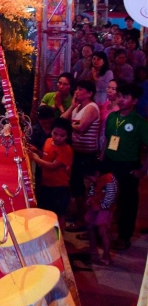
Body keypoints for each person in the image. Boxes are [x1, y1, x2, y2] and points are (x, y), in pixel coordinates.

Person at [101, 82, 148, 251]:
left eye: (125, 97)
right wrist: (101, 160)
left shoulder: (139, 122)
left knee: (128, 202)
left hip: (128, 166)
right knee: (104, 198)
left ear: (134, 100)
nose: (120, 100)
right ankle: (101, 231)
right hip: (109, 163)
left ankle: (124, 236)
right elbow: (107, 140)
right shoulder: (112, 117)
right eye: (119, 96)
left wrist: (142, 170)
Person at [62, 79, 101, 231]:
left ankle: (84, 220)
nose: (76, 92)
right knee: (76, 185)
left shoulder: (91, 107)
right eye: (76, 88)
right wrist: (72, 106)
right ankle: (80, 215)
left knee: (84, 187)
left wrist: (67, 126)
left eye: (80, 89)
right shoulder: (78, 107)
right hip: (76, 152)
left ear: (90, 93)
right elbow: (62, 119)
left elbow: (82, 127)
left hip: (86, 154)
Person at [28, 118, 73, 229]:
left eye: (62, 136)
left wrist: (35, 158)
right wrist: (36, 151)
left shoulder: (66, 149)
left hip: (59, 187)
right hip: (46, 184)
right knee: (46, 212)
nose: (57, 138)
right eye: (55, 134)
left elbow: (53, 166)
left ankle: (60, 237)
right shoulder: (48, 141)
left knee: (58, 215)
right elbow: (46, 155)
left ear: (67, 136)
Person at [84, 160, 118, 266]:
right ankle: (93, 250)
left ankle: (106, 256)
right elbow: (92, 189)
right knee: (89, 224)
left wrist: (100, 207)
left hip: (106, 208)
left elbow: (111, 197)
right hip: (95, 205)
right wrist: (90, 198)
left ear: (97, 173)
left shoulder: (109, 179)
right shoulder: (96, 180)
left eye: (90, 178)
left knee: (102, 230)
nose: (90, 180)